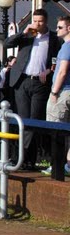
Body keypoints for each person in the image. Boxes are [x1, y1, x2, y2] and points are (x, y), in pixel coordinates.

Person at [4, 8, 62, 169]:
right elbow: (8, 44)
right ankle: (21, 158)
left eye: (40, 21)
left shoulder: (54, 39)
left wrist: (50, 70)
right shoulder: (27, 36)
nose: (37, 24)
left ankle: (26, 159)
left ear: (46, 21)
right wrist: (23, 33)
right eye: (35, 21)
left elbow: (58, 60)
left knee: (34, 121)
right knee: (22, 121)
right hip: (22, 81)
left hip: (40, 83)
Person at [42, 15, 70, 176]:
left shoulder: (66, 47)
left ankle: (56, 167)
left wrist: (54, 92)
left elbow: (62, 71)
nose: (56, 30)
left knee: (56, 129)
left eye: (60, 27)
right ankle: (67, 165)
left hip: (63, 91)